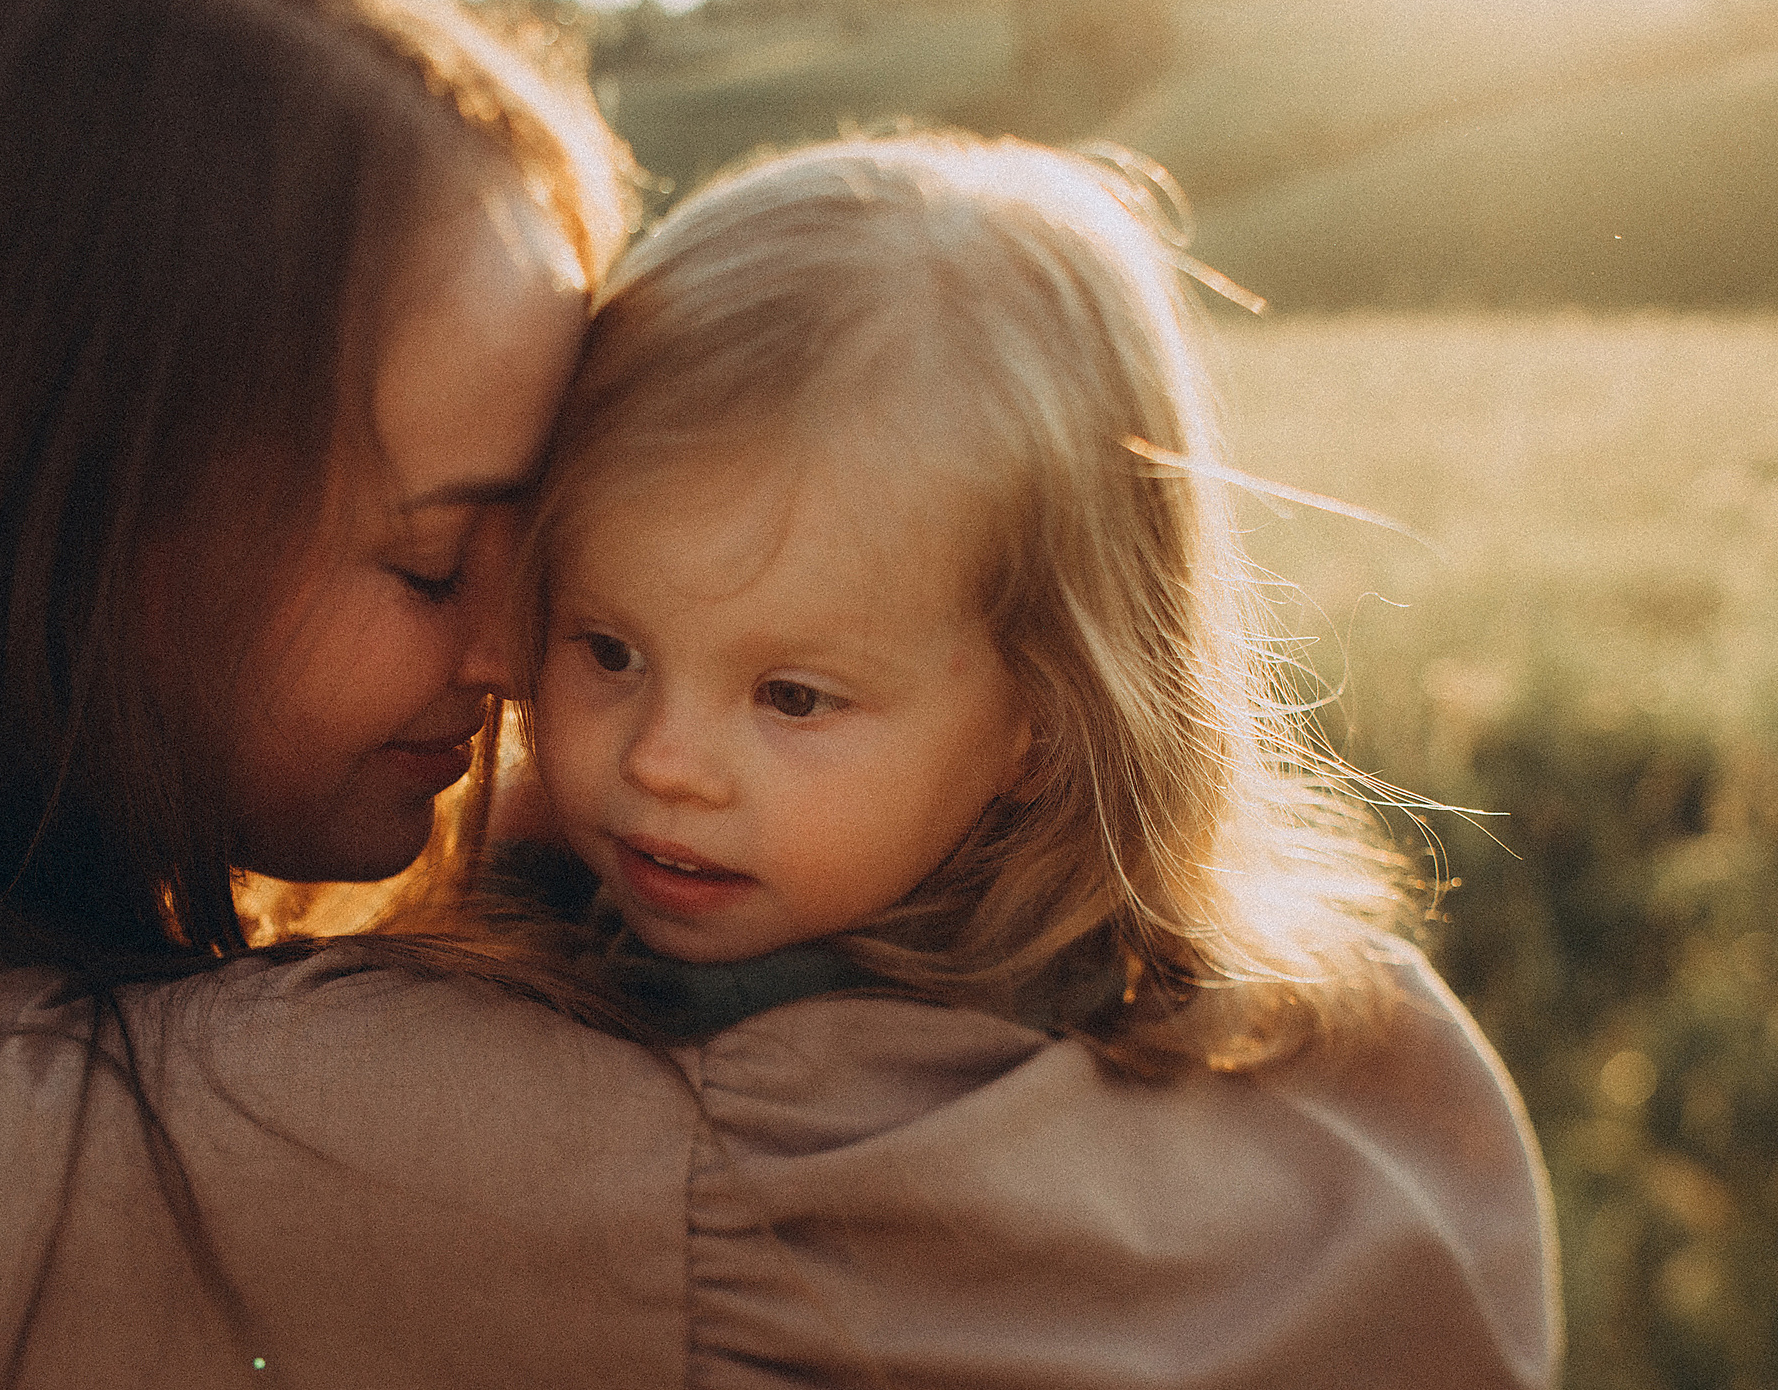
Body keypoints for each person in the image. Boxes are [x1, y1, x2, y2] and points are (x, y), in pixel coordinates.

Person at [0, 0, 1558, 1390]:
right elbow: (1412, 1302)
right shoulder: (398, 1153)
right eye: (436, 560)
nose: (521, 662)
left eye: (546, 549)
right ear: (90, 538)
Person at [497, 132, 1444, 1073]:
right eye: (611, 651)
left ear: (1045, 722)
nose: (661, 761)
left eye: (792, 697)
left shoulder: (876, 1083)